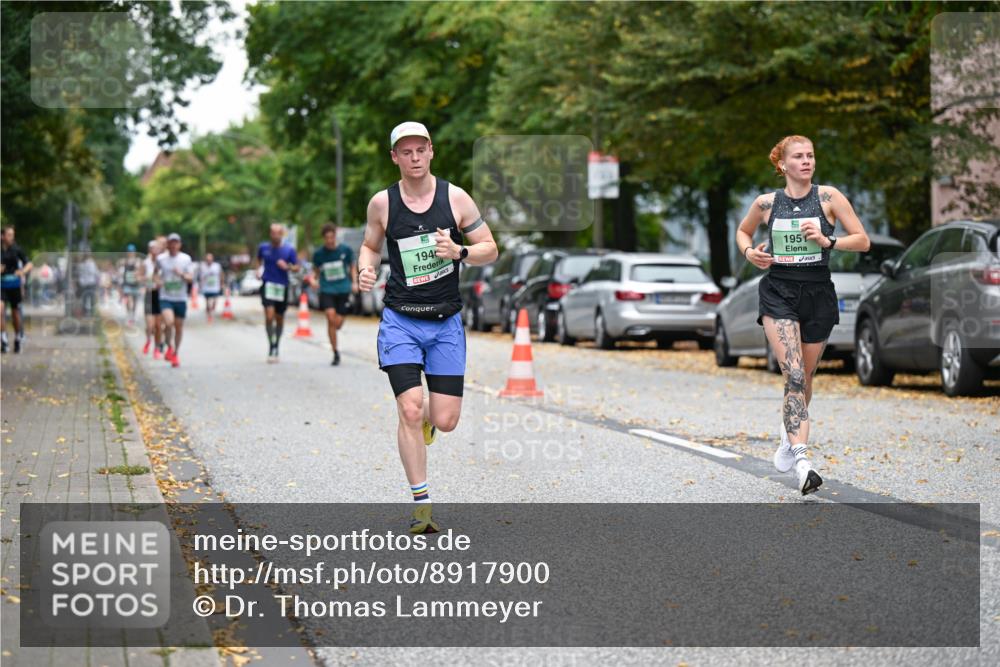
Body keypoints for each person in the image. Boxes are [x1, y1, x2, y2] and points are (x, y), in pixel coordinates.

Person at [358, 121, 497, 533]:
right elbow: (369, 245)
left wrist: (460, 250)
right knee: (410, 407)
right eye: (406, 151)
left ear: (431, 151)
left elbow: (490, 249)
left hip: (445, 323)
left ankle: (430, 424)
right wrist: (366, 269)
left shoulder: (455, 199)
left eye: (421, 150)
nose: (414, 158)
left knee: (446, 418)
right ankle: (422, 505)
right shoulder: (382, 203)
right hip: (401, 320)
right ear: (395, 157)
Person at [736, 134, 870, 496]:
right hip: (779, 291)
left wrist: (830, 242)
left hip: (818, 294)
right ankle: (803, 460)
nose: (807, 161)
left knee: (805, 376)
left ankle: (787, 436)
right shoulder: (766, 204)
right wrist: (750, 252)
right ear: (782, 165)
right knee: (793, 372)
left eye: (810, 155)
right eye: (798, 156)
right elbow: (743, 231)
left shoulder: (829, 198)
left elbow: (862, 239)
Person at [312, 222, 357, 365]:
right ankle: (335, 352)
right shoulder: (319, 254)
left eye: (332, 237)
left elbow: (352, 267)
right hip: (327, 289)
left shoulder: (345, 250)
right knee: (330, 318)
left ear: (335, 236)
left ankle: (339, 323)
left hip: (344, 289)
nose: (330, 240)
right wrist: (314, 280)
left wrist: (355, 282)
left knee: (337, 324)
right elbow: (316, 272)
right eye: (327, 238)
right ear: (323, 238)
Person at [256, 223, 299, 362]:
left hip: (282, 286)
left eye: (278, 233)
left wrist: (287, 267)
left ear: (282, 234)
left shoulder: (289, 250)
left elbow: (297, 267)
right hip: (268, 284)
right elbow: (258, 260)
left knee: (279, 318)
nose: (275, 236)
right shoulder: (263, 248)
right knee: (269, 316)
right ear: (270, 234)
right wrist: (258, 270)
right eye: (273, 233)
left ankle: (277, 345)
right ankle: (271, 345)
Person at [157, 233, 194, 368]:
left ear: (179, 244)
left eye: (176, 242)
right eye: (171, 242)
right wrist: (157, 281)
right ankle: (170, 347)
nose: (173, 245)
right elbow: (155, 274)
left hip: (180, 297)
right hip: (166, 297)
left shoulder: (186, 259)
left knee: (178, 327)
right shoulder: (161, 259)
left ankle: (175, 353)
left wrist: (181, 274)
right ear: (168, 244)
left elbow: (190, 277)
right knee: (169, 322)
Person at [1, 225, 33, 353]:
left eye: (12, 235)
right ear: (2, 236)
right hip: (1, 285)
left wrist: (22, 271)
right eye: (9, 235)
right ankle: (3, 339)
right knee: (0, 309)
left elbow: (29, 264)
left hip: (14, 285)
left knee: (15, 313)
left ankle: (18, 337)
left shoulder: (17, 249)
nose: (11, 238)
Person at [140, 239, 163, 358]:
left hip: (160, 295)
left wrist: (161, 282)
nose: (155, 251)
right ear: (149, 250)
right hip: (149, 294)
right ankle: (148, 340)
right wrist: (147, 279)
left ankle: (157, 348)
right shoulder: (146, 263)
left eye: (157, 249)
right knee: (150, 325)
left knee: (158, 326)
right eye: (153, 248)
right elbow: (138, 276)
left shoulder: (163, 263)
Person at [197, 252, 223, 322]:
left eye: (210, 258)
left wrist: (221, 284)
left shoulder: (217, 266)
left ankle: (211, 310)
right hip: (206, 288)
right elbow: (200, 277)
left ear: (212, 259)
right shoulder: (202, 266)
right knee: (208, 302)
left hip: (215, 287)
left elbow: (221, 275)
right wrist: (200, 285)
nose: (209, 260)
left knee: (214, 302)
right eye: (207, 259)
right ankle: (209, 315)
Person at [120, 244, 142, 326]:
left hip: (135, 283)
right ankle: (129, 314)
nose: (130, 253)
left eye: (132, 251)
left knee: (135, 300)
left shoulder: (138, 260)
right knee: (128, 299)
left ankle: (133, 314)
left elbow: (140, 270)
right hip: (127, 283)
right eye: (129, 251)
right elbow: (121, 270)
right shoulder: (124, 261)